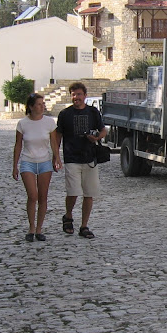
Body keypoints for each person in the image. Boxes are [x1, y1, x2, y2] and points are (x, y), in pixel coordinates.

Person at [55, 82, 107, 239]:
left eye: (78, 94)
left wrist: (97, 137)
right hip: (71, 157)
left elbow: (103, 129)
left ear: (85, 95)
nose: (76, 97)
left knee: (89, 193)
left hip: (90, 157)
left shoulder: (92, 112)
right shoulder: (65, 114)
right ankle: (68, 216)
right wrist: (56, 155)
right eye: (73, 94)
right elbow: (58, 135)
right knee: (73, 191)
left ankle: (84, 226)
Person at [12, 93, 62, 242]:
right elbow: (18, 145)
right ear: (31, 107)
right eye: (39, 104)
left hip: (45, 161)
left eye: (43, 104)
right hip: (28, 160)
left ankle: (39, 228)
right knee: (32, 195)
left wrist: (57, 157)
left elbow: (54, 142)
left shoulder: (49, 122)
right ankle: (31, 226)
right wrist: (15, 165)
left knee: (42, 196)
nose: (42, 106)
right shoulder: (22, 123)